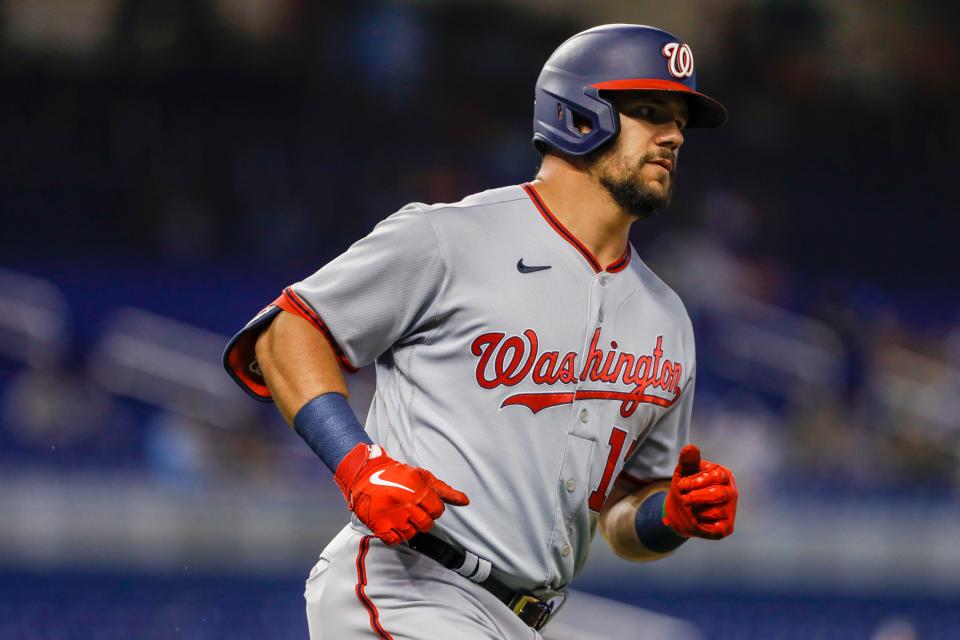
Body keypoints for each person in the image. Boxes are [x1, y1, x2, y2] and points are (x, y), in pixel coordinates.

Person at [224, 23, 739, 640]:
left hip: (524, 620)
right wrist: (358, 467)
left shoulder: (668, 321)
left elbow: (622, 520)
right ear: (580, 115)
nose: (674, 134)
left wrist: (672, 517)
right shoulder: (451, 238)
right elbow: (287, 332)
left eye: (679, 120)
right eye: (650, 111)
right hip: (411, 586)